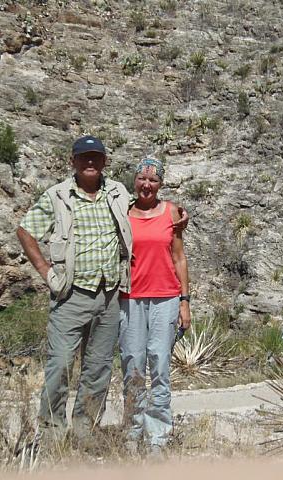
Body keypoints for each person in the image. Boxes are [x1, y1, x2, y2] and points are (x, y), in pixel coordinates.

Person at [16, 136, 186, 445]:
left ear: (105, 161)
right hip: (71, 295)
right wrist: (45, 271)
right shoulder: (57, 196)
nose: (90, 162)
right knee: (61, 365)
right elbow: (25, 230)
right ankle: (52, 436)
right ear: (73, 161)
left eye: (96, 157)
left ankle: (86, 432)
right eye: (84, 157)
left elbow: (153, 211)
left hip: (110, 297)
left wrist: (179, 215)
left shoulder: (117, 193)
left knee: (98, 370)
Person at [118, 158, 191, 456]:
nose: (147, 185)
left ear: (161, 184)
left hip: (166, 297)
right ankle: (132, 433)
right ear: (134, 181)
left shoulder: (172, 212)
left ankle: (158, 437)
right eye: (142, 179)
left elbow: (179, 257)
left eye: (154, 180)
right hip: (130, 297)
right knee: (132, 364)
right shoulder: (122, 212)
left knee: (159, 363)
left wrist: (185, 301)